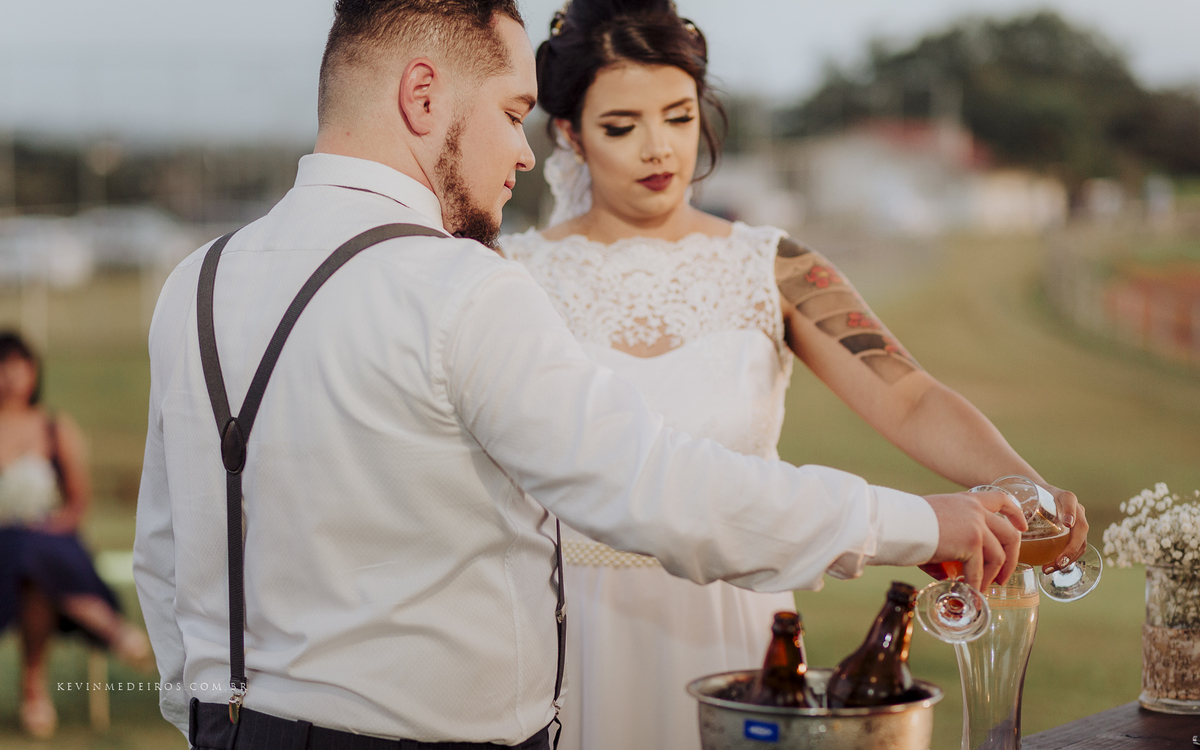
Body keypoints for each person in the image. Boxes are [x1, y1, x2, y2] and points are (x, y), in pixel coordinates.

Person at [133, 2, 1027, 749]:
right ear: (422, 96)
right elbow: (653, 487)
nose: (524, 155)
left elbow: (168, 555)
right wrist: (916, 521)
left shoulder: (196, 281)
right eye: (510, 113)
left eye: (678, 116)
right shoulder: (472, 286)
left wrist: (205, 714)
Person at [500, 2, 1089, 749]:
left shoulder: (775, 266)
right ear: (568, 132)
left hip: (738, 612)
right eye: (622, 126)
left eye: (679, 116)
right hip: (570, 623)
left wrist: (1028, 490)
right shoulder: (510, 276)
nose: (659, 148)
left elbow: (909, 397)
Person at [0, 331, 152, 740]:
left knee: (33, 559)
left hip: (51, 539)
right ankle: (107, 625)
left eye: (19, 366)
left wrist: (45, 524)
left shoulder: (54, 427)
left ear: (34, 372)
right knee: (22, 548)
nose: (11, 376)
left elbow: (77, 503)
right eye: (3, 367)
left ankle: (34, 692)